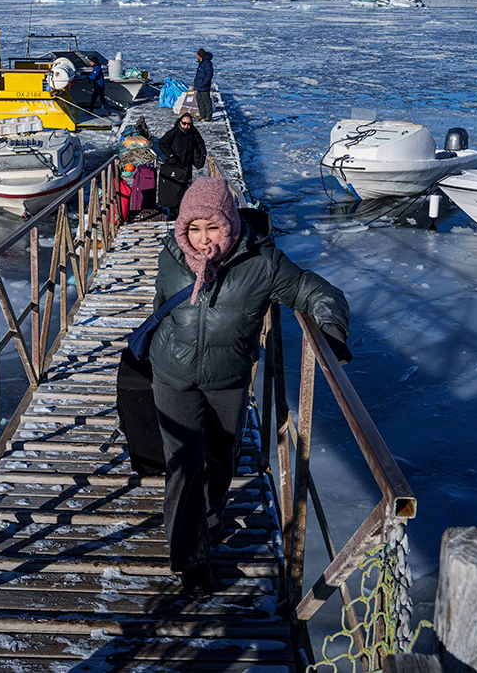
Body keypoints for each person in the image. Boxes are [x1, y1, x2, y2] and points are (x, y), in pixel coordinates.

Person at [149, 178, 350, 597]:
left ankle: (210, 516)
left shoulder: (263, 263)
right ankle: (191, 560)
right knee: (184, 465)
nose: (203, 240)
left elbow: (318, 292)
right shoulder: (171, 256)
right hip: (172, 377)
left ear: (231, 224)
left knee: (221, 460)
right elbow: (160, 306)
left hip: (228, 380)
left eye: (213, 228)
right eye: (193, 229)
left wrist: (330, 333)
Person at [157, 113, 206, 213]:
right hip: (174, 164)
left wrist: (203, 153)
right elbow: (162, 143)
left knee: (186, 188)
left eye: (189, 124)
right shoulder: (174, 132)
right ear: (180, 122)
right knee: (174, 188)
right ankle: (173, 209)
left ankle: (183, 209)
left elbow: (200, 142)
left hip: (186, 165)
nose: (186, 126)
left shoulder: (193, 132)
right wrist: (170, 155)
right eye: (184, 123)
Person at [192, 48, 214, 121]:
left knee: (206, 101)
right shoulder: (201, 62)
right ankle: (202, 115)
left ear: (199, 55)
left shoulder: (207, 63)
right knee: (200, 100)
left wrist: (204, 83)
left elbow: (209, 74)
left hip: (204, 86)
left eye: (197, 54)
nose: (196, 55)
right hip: (199, 85)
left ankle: (208, 116)